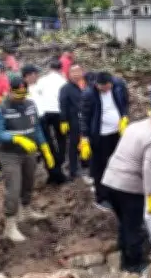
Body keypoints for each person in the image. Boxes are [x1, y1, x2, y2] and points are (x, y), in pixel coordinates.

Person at [101, 108, 151, 273]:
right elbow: (147, 168)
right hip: (128, 186)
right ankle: (133, 264)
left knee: (124, 221)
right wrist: (150, 194)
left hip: (110, 181)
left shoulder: (134, 126)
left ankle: (122, 252)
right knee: (133, 225)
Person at [0, 77, 54, 242]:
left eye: (24, 94)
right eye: (17, 94)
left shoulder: (30, 105)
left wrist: (45, 148)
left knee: (28, 182)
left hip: (29, 152)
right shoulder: (1, 109)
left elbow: (37, 128)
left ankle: (25, 210)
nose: (21, 97)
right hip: (10, 154)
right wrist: (17, 139)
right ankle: (10, 224)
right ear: (10, 91)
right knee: (13, 188)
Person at [80, 71, 130, 210]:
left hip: (116, 132)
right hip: (100, 135)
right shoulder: (89, 94)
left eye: (107, 86)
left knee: (116, 162)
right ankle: (101, 197)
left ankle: (116, 190)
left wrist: (124, 116)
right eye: (102, 87)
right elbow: (84, 117)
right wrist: (84, 137)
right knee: (99, 166)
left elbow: (124, 103)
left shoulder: (117, 86)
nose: (105, 89)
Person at [35, 60, 70, 184]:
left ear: (50, 68)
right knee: (61, 138)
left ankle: (52, 164)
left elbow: (37, 93)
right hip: (59, 112)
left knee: (47, 139)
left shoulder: (42, 80)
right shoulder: (64, 81)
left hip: (44, 112)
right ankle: (59, 162)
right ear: (61, 69)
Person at [59, 65, 90, 180]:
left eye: (78, 71)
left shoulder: (86, 85)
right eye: (73, 72)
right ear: (69, 74)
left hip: (87, 118)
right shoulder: (66, 88)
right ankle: (73, 170)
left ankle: (86, 164)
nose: (76, 74)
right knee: (73, 145)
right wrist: (63, 120)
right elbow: (63, 105)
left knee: (86, 141)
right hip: (74, 120)